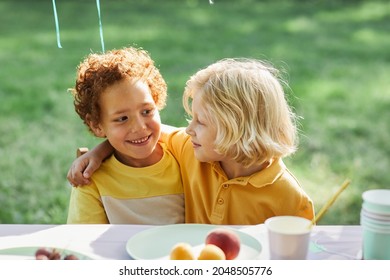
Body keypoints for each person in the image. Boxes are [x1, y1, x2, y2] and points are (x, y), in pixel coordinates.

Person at [68, 57, 315, 225]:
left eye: (201, 122)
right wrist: (98, 152)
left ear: (237, 130)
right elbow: (140, 134)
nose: (189, 129)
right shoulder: (191, 150)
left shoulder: (289, 196)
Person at [66, 47, 184, 224]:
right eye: (122, 118)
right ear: (97, 125)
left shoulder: (185, 157)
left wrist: (100, 150)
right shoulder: (90, 180)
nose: (139, 127)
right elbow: (82, 240)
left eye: (146, 111)